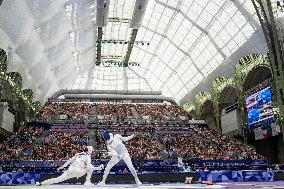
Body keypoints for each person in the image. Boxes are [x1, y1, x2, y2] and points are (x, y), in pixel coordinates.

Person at [36, 146, 104, 186]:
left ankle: (40, 183)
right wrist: (98, 168)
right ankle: (87, 182)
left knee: (57, 179)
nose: (92, 152)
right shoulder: (88, 157)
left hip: (70, 171)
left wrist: (62, 166)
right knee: (90, 167)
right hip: (78, 172)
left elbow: (69, 161)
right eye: (92, 151)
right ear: (90, 151)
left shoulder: (78, 154)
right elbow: (89, 167)